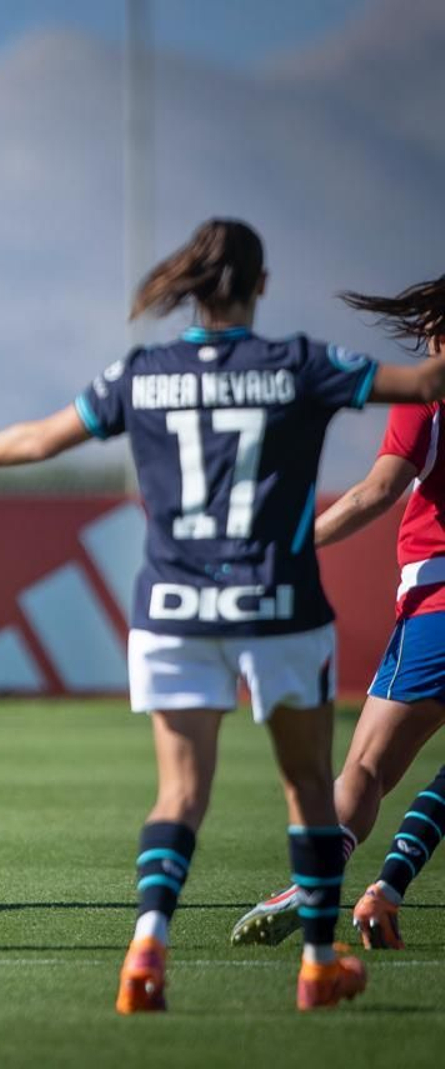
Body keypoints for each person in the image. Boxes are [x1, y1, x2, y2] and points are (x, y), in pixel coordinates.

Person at [0, 218, 445, 1013]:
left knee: (180, 794)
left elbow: (42, 438)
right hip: (279, 603)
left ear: (189, 283)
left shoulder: (143, 371)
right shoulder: (300, 364)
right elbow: (426, 387)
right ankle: (319, 962)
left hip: (174, 606)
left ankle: (148, 945)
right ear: (262, 285)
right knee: (310, 785)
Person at [229, 273, 445, 951]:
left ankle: (315, 881)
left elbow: (377, 491)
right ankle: (386, 891)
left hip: (437, 606)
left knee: (370, 767)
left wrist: (295, 541)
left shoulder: (428, 396)